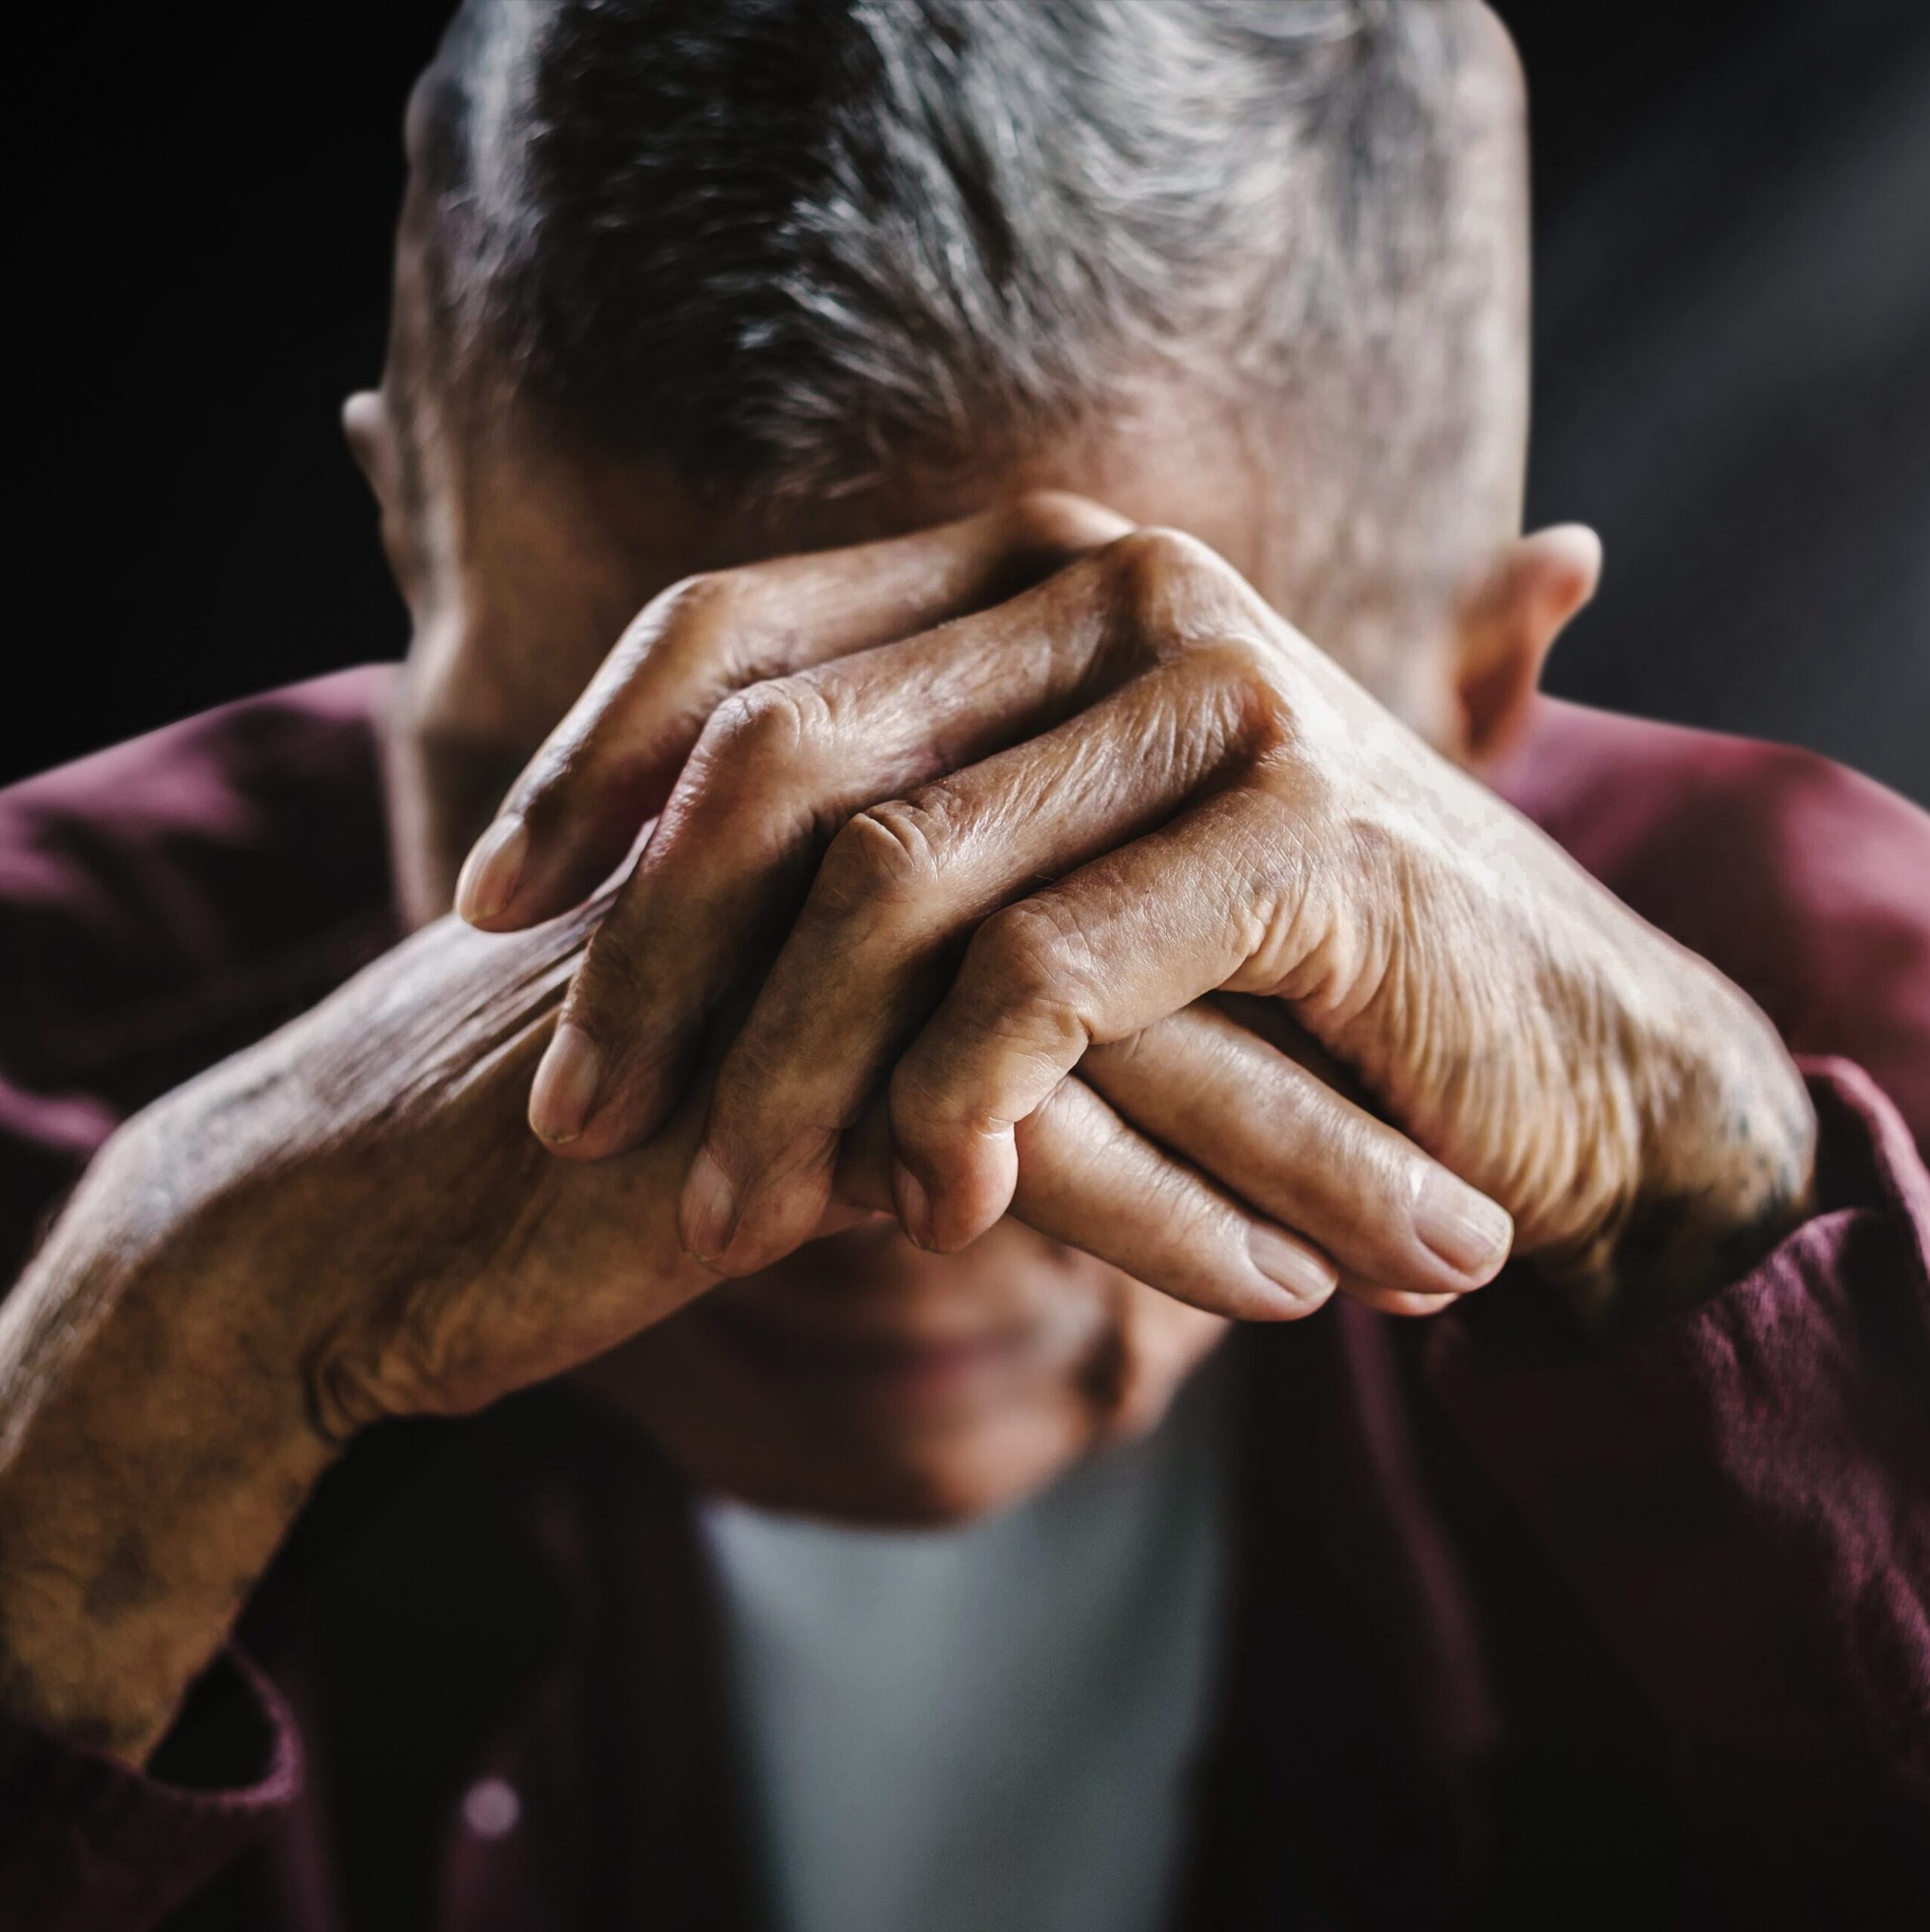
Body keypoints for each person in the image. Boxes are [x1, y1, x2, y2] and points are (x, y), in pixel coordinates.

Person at [2, 1, 1927, 1926]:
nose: (842, 1156)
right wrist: (139, 1376)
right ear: (411, 563)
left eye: (1103, 849)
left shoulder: (1862, 1019)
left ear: (1474, 691)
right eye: (633, 859)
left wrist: (1710, 1218)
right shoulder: (46, 1030)